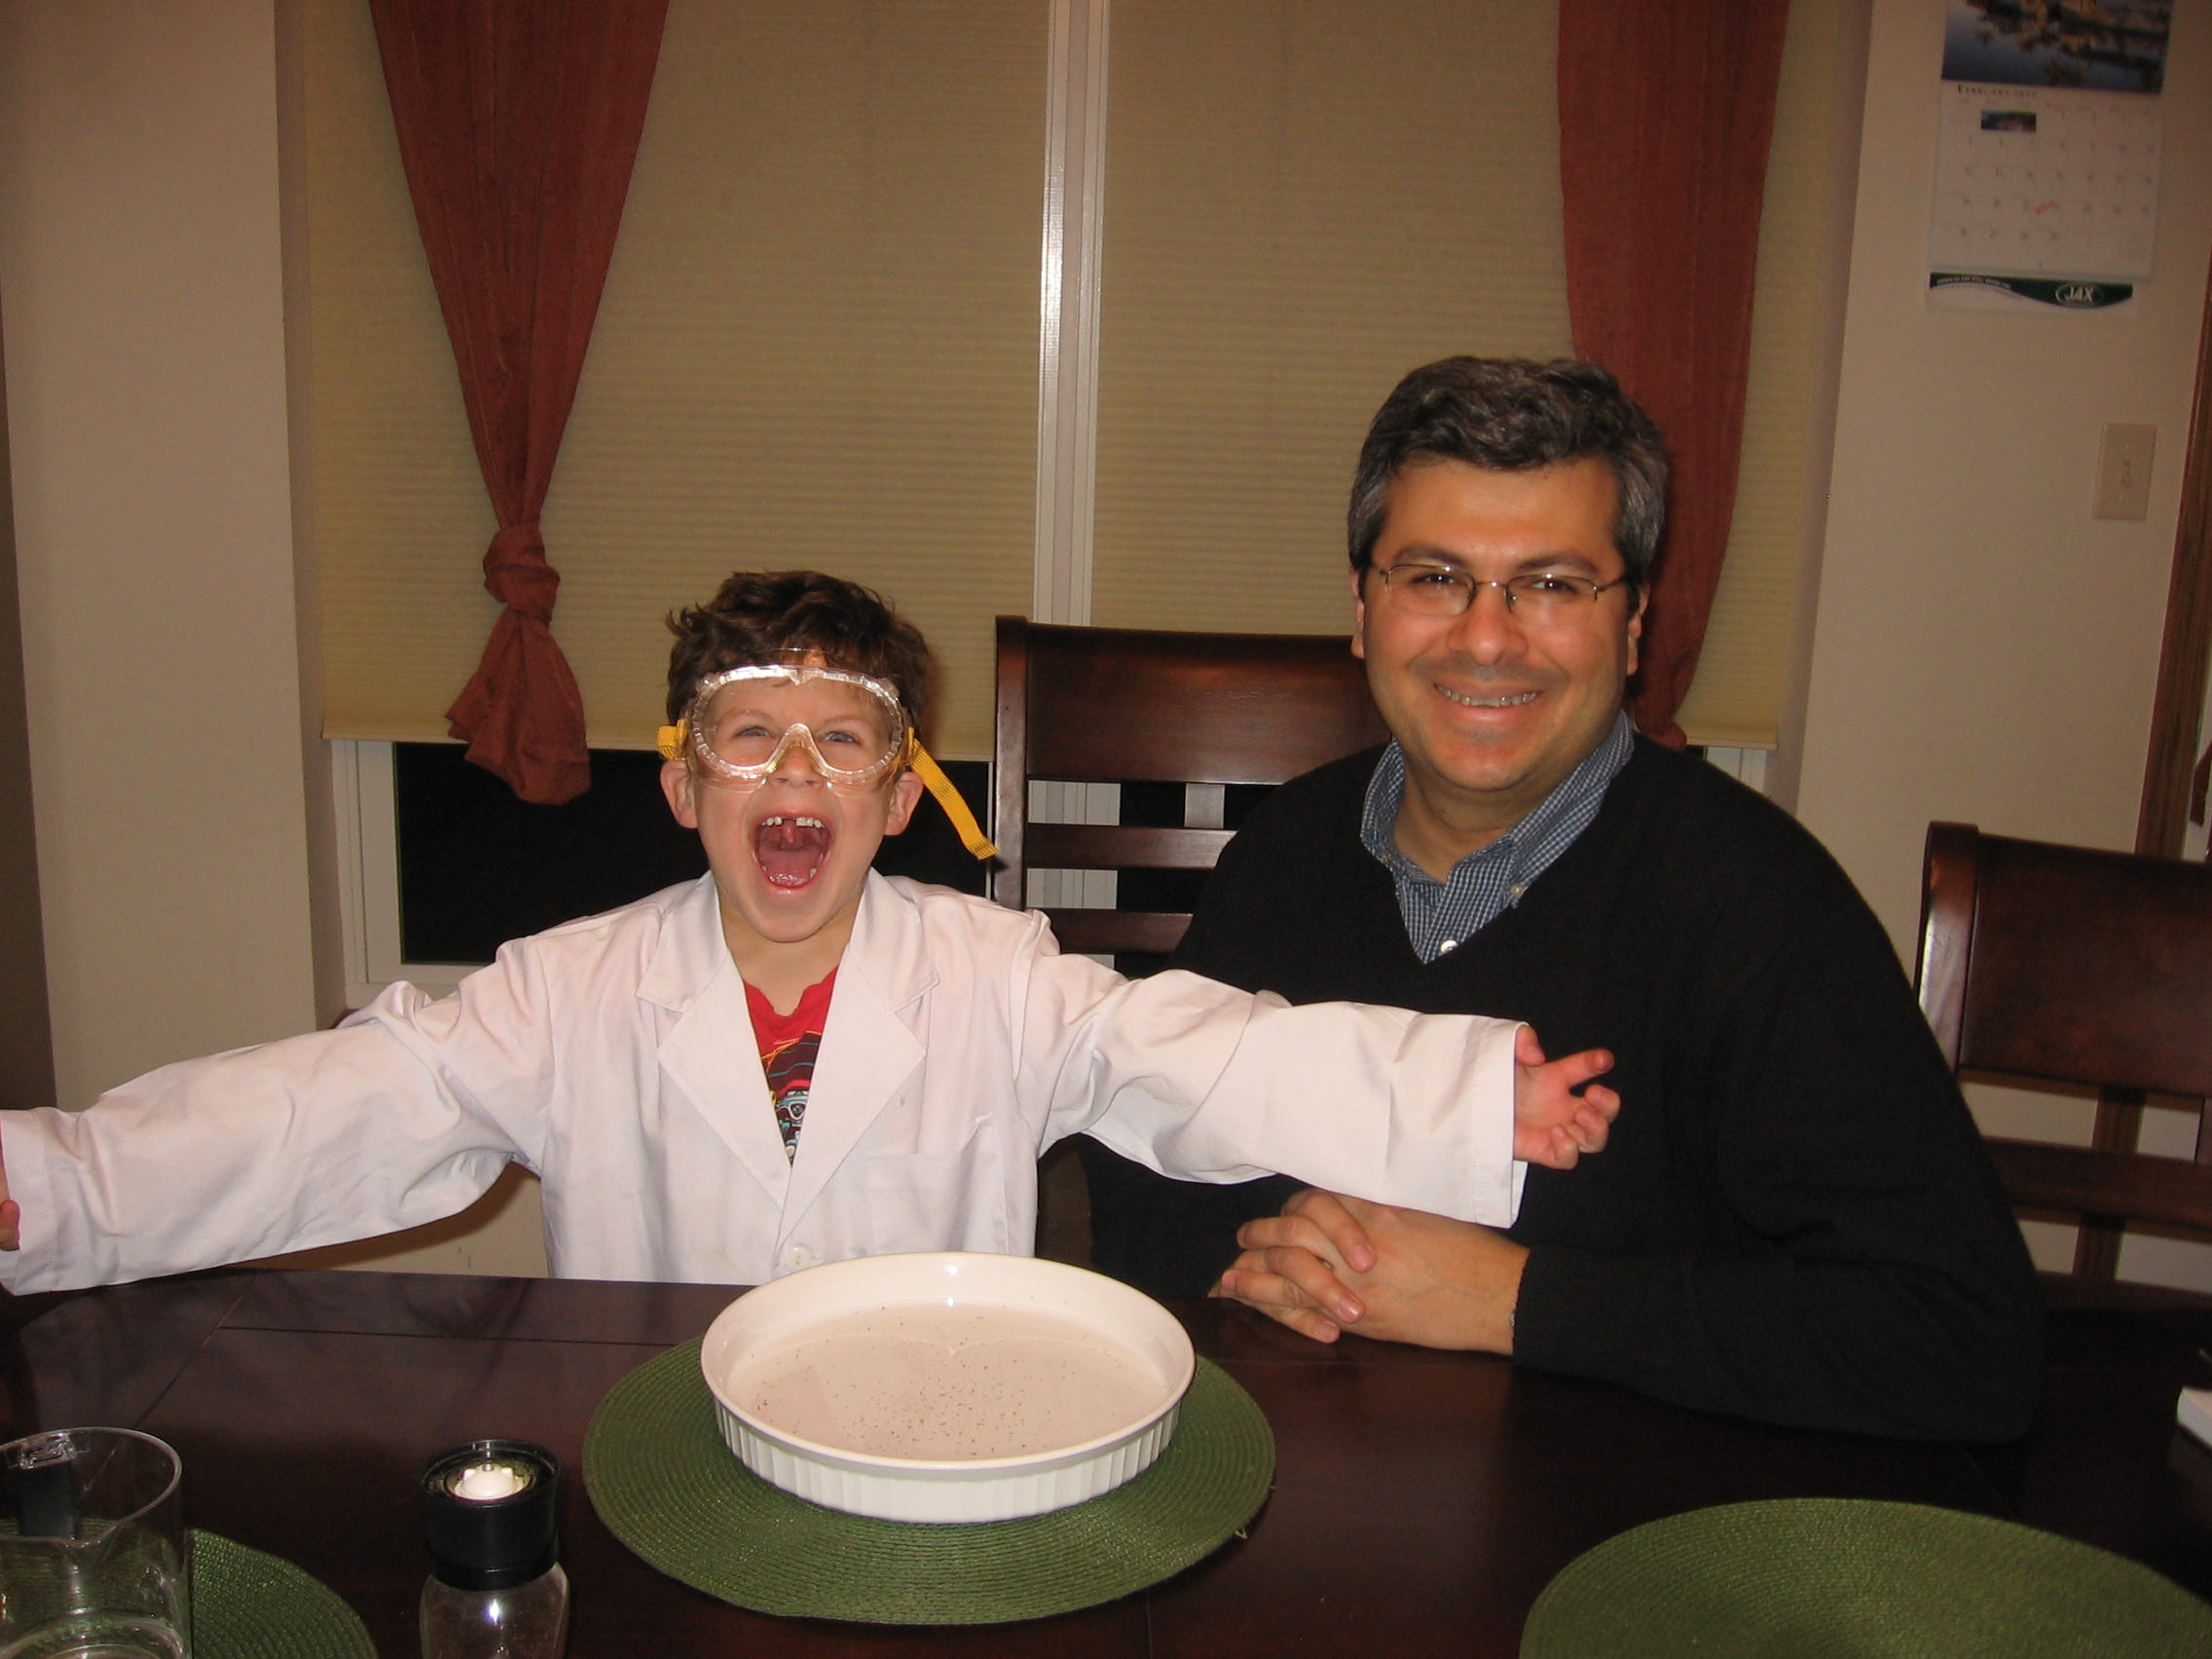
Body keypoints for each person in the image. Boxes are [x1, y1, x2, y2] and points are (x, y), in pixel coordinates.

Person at [0, 570, 1620, 1294]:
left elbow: (1208, 1052)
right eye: (748, 738)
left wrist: (1466, 1095)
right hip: (655, 1443)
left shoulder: (995, 978)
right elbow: (323, 1111)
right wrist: (53, 1188)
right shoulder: (564, 995)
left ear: (899, 793)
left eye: (841, 739)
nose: (792, 772)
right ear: (681, 783)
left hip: (932, 1437)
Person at [1080, 358, 2044, 1441]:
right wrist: (1255, 1249)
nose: (1486, 638)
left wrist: (1515, 1302)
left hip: (1633, 1546)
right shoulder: (1287, 849)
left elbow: (1964, 1337)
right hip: (1292, 1498)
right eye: (1434, 576)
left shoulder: (1758, 907)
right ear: (1362, 609)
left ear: (1632, 629)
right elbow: (1134, 1159)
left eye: (1550, 584)